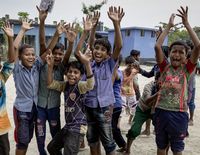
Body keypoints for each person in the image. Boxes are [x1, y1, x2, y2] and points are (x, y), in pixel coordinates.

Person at [154, 6, 200, 155]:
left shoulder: (187, 70)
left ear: (186, 57)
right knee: (161, 147)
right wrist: (168, 27)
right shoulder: (164, 67)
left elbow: (198, 46)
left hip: (179, 114)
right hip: (161, 111)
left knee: (177, 148)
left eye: (181, 52)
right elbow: (157, 46)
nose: (177, 54)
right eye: (174, 51)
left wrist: (187, 24)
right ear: (169, 54)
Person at [47, 16, 95, 155]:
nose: (72, 75)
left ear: (80, 75)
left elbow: (91, 84)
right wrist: (50, 67)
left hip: (78, 127)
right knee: (52, 148)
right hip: (68, 126)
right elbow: (50, 83)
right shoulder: (65, 85)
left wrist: (86, 64)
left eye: (75, 73)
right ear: (66, 73)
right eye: (70, 72)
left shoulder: (80, 86)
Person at [35, 6, 78, 155]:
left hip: (54, 108)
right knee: (40, 137)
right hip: (40, 108)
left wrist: (71, 43)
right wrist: (44, 24)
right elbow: (43, 45)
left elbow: (67, 56)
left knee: (55, 138)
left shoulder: (62, 68)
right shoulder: (42, 64)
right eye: (56, 53)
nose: (58, 56)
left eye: (60, 53)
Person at [82, 6, 124, 155]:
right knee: (92, 139)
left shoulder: (110, 65)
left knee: (108, 142)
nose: (98, 51)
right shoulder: (89, 64)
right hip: (89, 106)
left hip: (105, 107)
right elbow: (91, 43)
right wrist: (92, 28)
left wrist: (116, 24)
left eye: (102, 50)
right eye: (96, 48)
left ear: (107, 54)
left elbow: (119, 46)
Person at [12, 20, 49, 155]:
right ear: (21, 57)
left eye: (33, 54)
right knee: (22, 141)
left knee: (27, 139)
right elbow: (15, 48)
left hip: (34, 108)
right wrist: (22, 30)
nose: (31, 57)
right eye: (27, 54)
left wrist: (56, 33)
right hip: (22, 109)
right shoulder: (17, 68)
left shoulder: (36, 67)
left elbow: (47, 51)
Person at [125, 72, 160, 154]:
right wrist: (159, 93)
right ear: (156, 80)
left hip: (156, 111)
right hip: (143, 109)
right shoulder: (149, 86)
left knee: (164, 133)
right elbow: (148, 101)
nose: (164, 82)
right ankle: (127, 150)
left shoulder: (168, 88)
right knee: (134, 130)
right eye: (161, 79)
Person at [0, 22, 15, 155]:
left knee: (5, 151)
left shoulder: (1, 77)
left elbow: (11, 61)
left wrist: (10, 38)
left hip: (1, 126)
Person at [111, 55, 127, 152]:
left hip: (115, 104)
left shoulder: (116, 72)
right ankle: (123, 145)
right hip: (115, 103)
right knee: (114, 127)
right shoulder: (120, 71)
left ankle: (123, 145)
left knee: (112, 128)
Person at [121, 56, 138, 124]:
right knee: (121, 109)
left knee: (134, 108)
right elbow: (124, 82)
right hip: (123, 93)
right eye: (129, 64)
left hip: (131, 93)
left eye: (132, 64)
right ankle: (118, 123)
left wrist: (137, 90)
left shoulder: (134, 71)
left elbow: (135, 81)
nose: (131, 66)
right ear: (126, 64)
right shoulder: (122, 72)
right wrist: (131, 75)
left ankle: (129, 121)